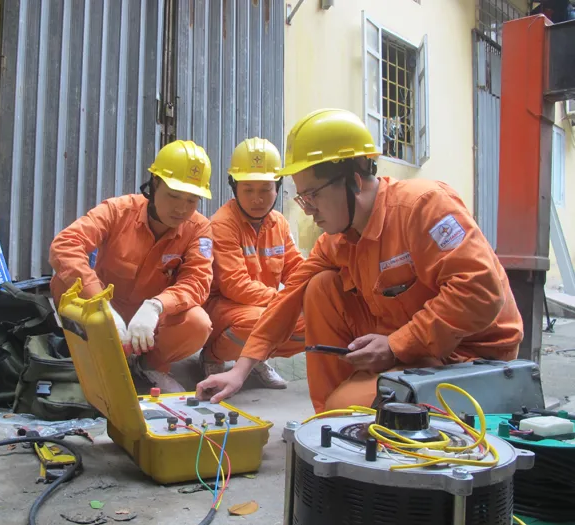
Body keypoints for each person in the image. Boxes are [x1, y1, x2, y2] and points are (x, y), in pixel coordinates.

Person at [196, 108, 524, 413]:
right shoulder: (338, 239)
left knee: (346, 406)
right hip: (412, 347)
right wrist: (240, 371)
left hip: (468, 356)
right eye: (302, 198)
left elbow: (480, 291)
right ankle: (330, 419)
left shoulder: (424, 207)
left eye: (312, 195)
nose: (308, 210)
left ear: (353, 181)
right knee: (319, 287)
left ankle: (340, 416)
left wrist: (396, 345)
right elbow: (289, 294)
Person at [49, 140, 215, 393]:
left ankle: (150, 366)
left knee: (198, 323)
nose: (181, 208)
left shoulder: (199, 229)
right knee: (63, 281)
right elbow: (65, 244)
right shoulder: (117, 210)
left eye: (192, 200)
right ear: (155, 183)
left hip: (152, 323)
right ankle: (91, 353)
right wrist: (101, 305)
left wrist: (156, 306)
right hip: (103, 312)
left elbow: (197, 281)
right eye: (173, 195)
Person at [200, 137, 306, 389]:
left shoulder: (279, 222)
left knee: (315, 320)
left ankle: (256, 358)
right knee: (262, 320)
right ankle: (213, 356)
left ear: (277, 187)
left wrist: (311, 293)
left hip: (264, 304)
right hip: (225, 308)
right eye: (248, 189)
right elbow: (235, 285)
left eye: (265, 189)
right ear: (234, 187)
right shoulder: (223, 223)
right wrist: (286, 301)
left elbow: (296, 268)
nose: (257, 198)